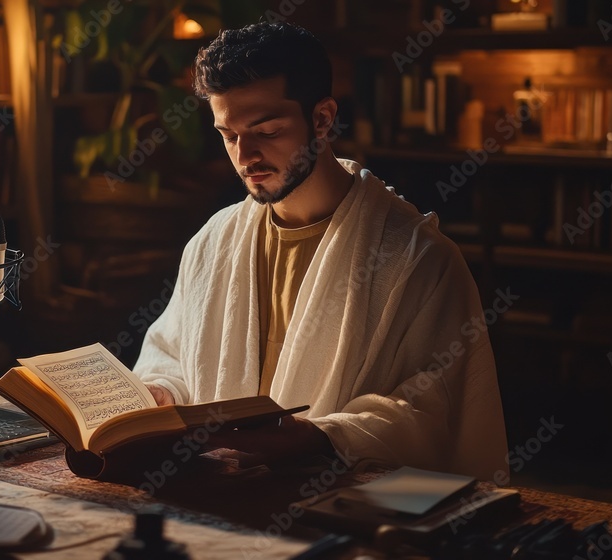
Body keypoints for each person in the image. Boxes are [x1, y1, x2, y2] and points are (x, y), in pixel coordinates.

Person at [133, 21, 508, 481]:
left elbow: (432, 411)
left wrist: (322, 437)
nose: (245, 155)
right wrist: (161, 392)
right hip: (220, 495)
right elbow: (172, 358)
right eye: (228, 135)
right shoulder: (213, 243)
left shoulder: (417, 259)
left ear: (323, 119)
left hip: (342, 514)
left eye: (266, 131)